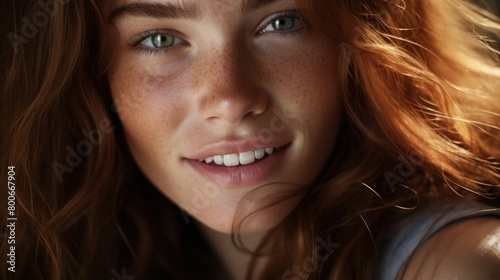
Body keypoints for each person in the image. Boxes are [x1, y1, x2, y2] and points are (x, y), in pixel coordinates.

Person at [1, 0, 500, 279]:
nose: (229, 98)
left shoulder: (458, 268)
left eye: (280, 22)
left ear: (364, 45)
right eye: (160, 39)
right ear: (95, 77)